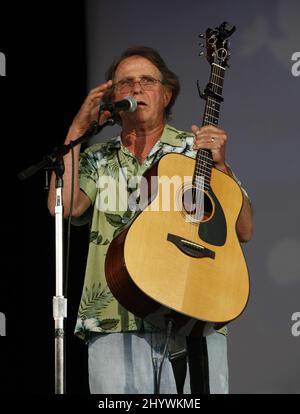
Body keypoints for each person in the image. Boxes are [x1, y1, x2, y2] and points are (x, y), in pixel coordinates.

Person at [48, 46, 253, 394]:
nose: (136, 89)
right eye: (125, 83)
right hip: (115, 319)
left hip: (193, 314)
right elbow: (62, 207)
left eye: (147, 80)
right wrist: (78, 128)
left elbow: (243, 228)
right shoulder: (97, 158)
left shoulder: (196, 151)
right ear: (113, 99)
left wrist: (222, 167)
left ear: (167, 93)